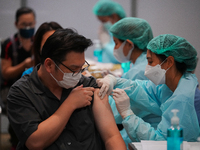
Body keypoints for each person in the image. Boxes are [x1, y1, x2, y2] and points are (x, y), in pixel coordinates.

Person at [7, 28, 126, 150]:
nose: (78, 74)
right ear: (49, 65)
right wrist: (70, 104)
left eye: (81, 68)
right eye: (73, 69)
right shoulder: (21, 92)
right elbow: (35, 142)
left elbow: (112, 137)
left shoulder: (89, 86)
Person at [97, 34, 200, 142]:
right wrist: (115, 81)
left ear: (169, 62)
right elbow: (141, 89)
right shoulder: (170, 86)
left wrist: (127, 114)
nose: (147, 68)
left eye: (150, 62)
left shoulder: (184, 99)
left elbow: (161, 142)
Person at [98, 17, 161, 146]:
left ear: (129, 44)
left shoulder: (140, 70)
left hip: (147, 133)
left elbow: (116, 113)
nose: (114, 48)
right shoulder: (140, 63)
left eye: (115, 43)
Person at [0, 7, 36, 149]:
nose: (28, 27)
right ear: (16, 24)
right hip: (12, 87)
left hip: (34, 85)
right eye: (24, 24)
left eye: (31, 24)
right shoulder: (9, 44)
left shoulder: (38, 41)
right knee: (18, 118)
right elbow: (6, 73)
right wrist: (24, 65)